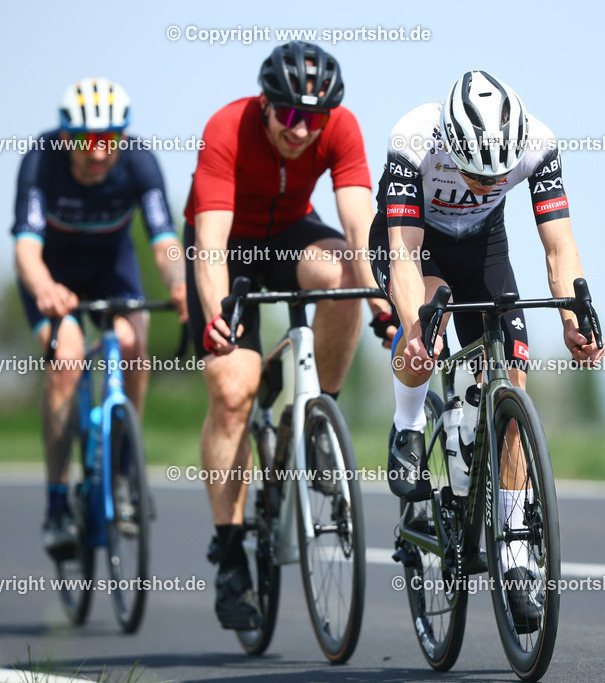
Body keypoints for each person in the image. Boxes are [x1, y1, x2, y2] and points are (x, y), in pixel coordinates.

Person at [369, 70, 605, 632]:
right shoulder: (413, 139)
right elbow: (404, 256)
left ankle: (516, 550)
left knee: (513, 377)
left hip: (482, 247)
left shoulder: (539, 144)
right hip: (413, 243)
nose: (486, 181)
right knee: (426, 320)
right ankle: (407, 426)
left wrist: (574, 319)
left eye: (498, 173)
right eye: (475, 172)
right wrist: (414, 326)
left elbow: (559, 247)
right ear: (450, 144)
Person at [185, 41, 387, 630]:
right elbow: (211, 244)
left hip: (292, 233)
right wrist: (216, 313)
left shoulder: (340, 127)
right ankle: (229, 555)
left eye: (313, 119)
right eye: (289, 116)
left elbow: (357, 224)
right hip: (229, 246)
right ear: (266, 104)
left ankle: (316, 418)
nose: (301, 131)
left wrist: (378, 296)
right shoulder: (227, 127)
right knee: (233, 389)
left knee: (347, 277)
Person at [12, 77, 187, 559]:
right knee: (66, 359)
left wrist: (178, 284)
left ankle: (126, 472)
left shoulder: (139, 161)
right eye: (86, 141)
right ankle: (55, 503)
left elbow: (163, 237)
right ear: (65, 137)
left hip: (111, 268)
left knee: (134, 343)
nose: (97, 153)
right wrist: (46, 289)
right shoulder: (42, 159)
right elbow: (26, 247)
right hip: (54, 276)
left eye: (109, 140)